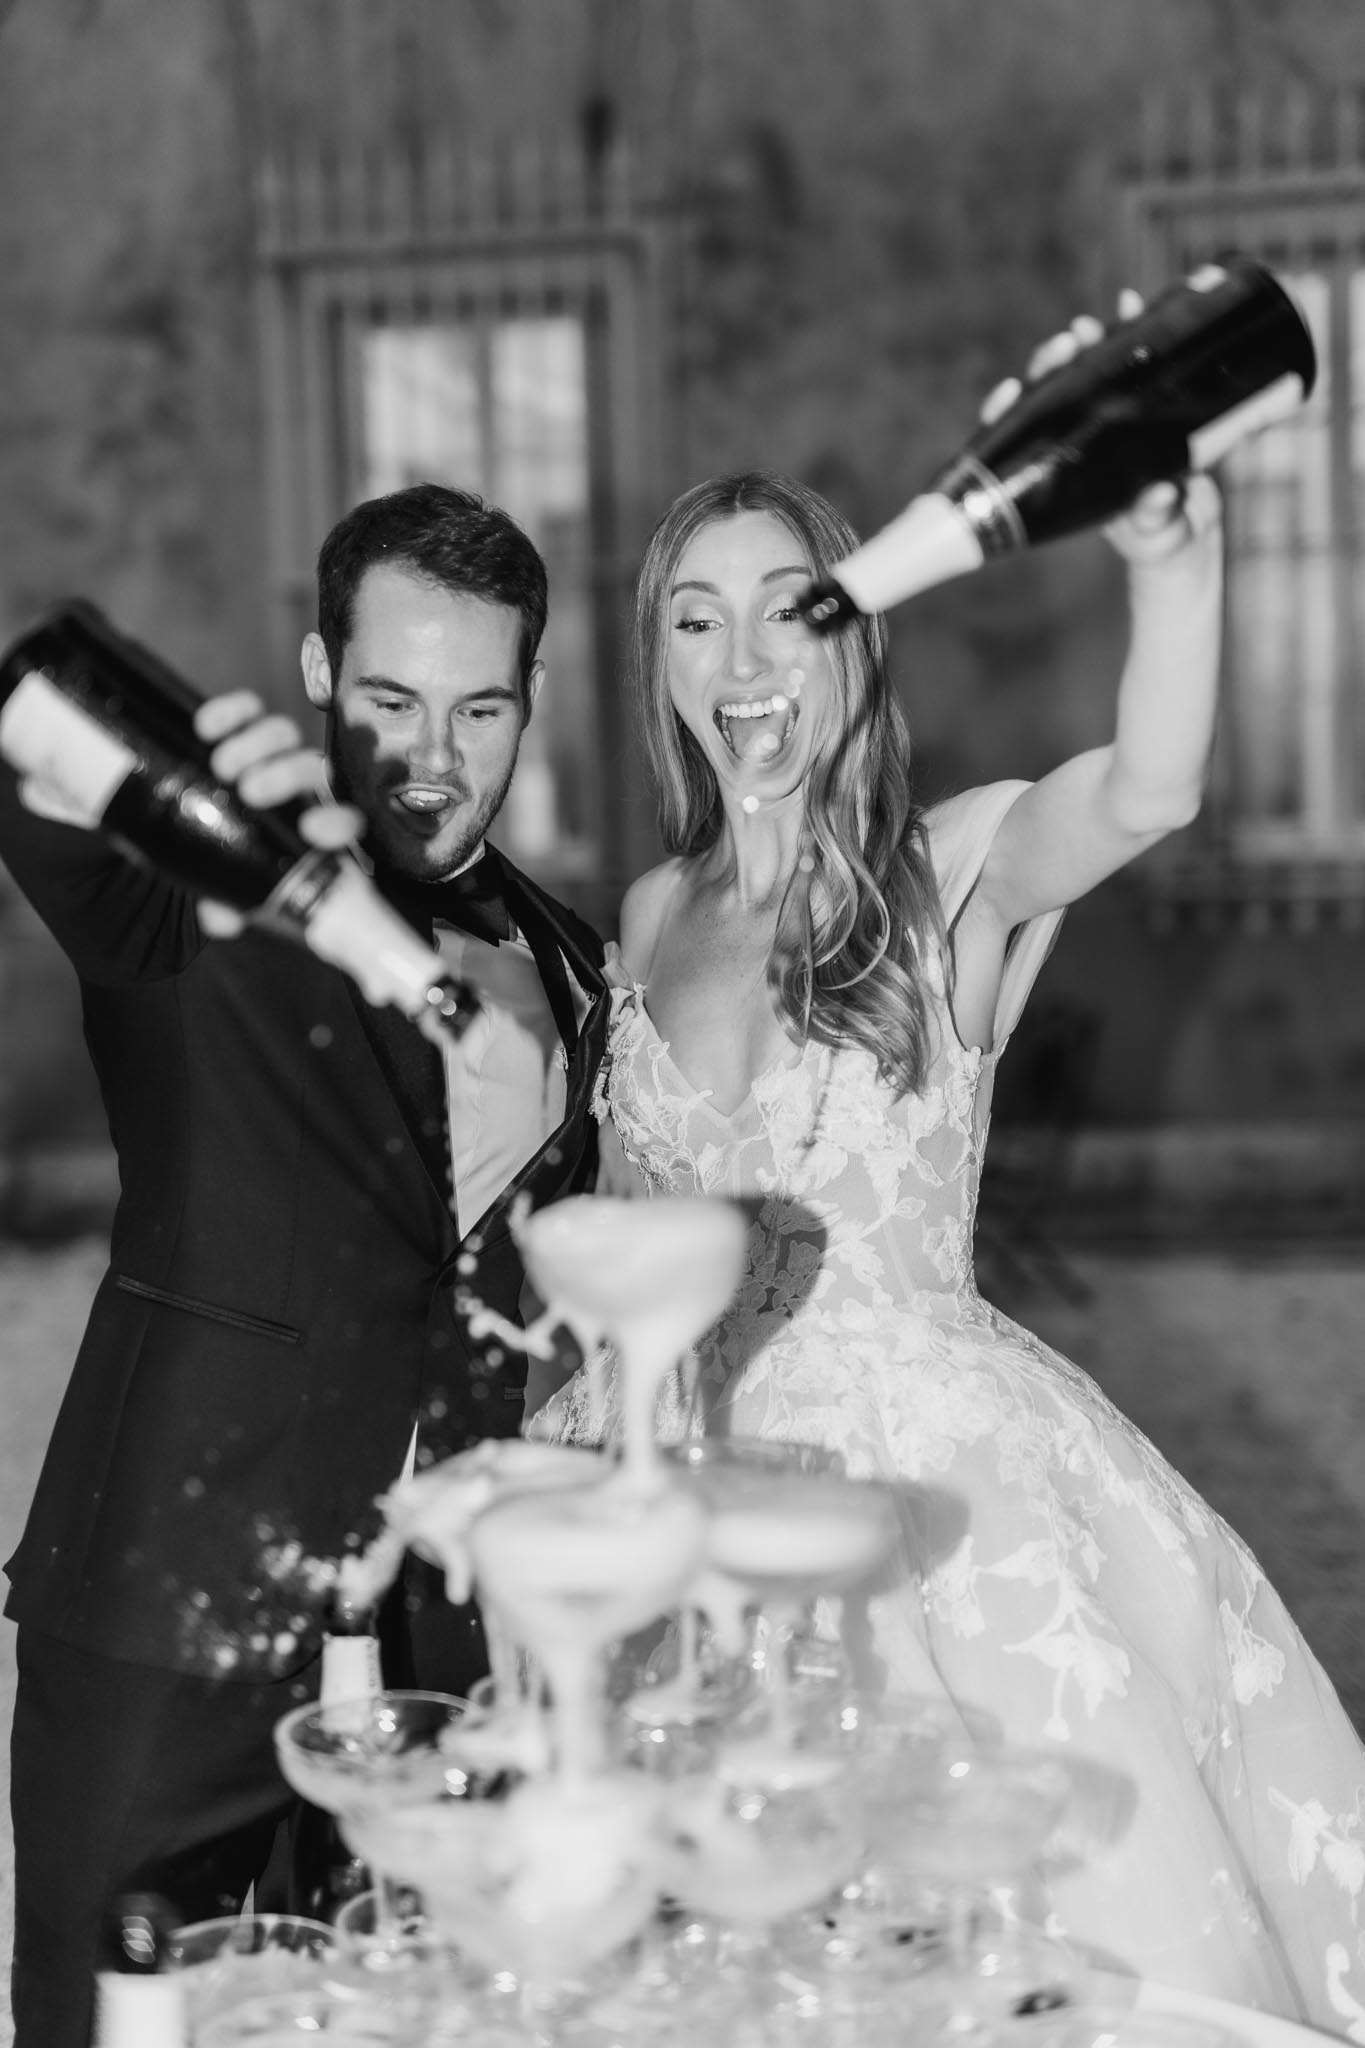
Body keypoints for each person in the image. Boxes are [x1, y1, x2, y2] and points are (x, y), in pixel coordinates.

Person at [531, 345, 1365, 2026]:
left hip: (942, 1513)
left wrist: (1170, 563)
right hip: (691, 1515)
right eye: (695, 618)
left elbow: (1149, 789)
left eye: (788, 607)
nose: (745, 655)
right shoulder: (641, 918)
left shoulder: (952, 867)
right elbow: (630, 1233)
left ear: (854, 636)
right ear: (658, 666)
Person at [0, 482, 607, 2047]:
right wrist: (150, 782)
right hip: (174, 1599)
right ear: (320, 673)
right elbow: (37, 758)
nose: (432, 756)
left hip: (441, 1643)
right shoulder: (193, 886)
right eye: (391, 698)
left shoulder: (575, 963)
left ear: (533, 698)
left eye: (480, 706)